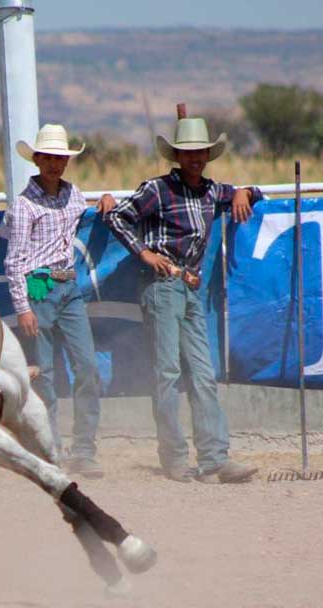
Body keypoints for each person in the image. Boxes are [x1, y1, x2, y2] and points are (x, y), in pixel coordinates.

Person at [98, 111, 262, 484]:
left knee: (202, 374)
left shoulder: (212, 191)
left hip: (189, 289)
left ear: (207, 155)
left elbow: (254, 191)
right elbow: (118, 217)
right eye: (188, 152)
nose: (195, 158)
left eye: (200, 152)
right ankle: (174, 457)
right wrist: (144, 253)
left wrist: (243, 191)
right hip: (161, 285)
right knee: (169, 372)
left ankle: (214, 459)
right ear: (176, 156)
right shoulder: (157, 190)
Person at [4, 123, 105, 478]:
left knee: (87, 367)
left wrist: (104, 200)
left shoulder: (73, 195)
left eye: (60, 158)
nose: (55, 164)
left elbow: (86, 211)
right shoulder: (24, 205)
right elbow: (14, 260)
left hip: (68, 287)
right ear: (38, 159)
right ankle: (50, 450)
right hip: (39, 287)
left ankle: (83, 449)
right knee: (43, 374)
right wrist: (23, 306)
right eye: (49, 158)